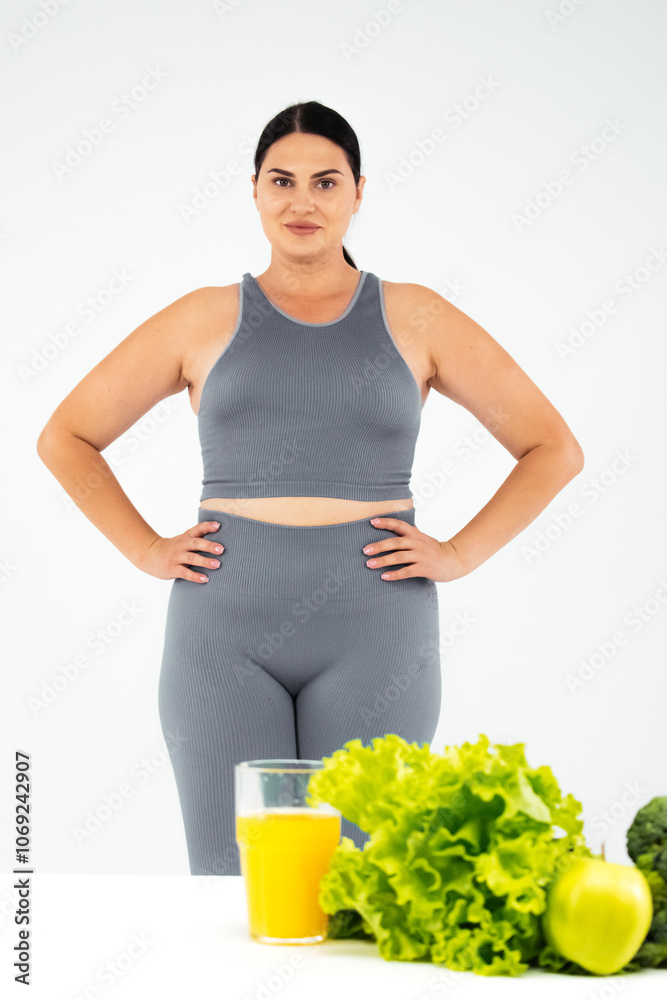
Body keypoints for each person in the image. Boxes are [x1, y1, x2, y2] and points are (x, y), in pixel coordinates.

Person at [36, 100, 584, 876]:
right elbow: (65, 436)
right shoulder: (203, 317)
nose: (302, 201)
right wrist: (144, 549)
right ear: (254, 192)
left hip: (376, 629)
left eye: (325, 182)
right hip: (221, 634)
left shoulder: (416, 315)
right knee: (232, 893)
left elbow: (551, 448)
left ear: (358, 192)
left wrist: (459, 553)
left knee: (360, 894)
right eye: (281, 180)